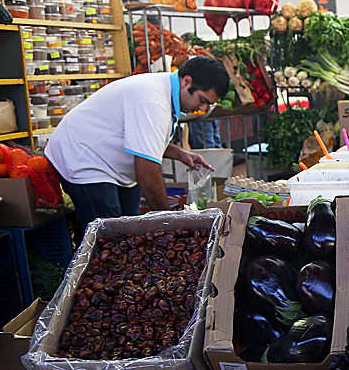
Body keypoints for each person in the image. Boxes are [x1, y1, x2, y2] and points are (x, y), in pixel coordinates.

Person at [45, 56, 229, 236]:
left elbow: (143, 136)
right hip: (83, 156)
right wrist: (170, 222)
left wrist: (179, 153)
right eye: (202, 100)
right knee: (109, 236)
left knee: (131, 229)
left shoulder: (164, 93)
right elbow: (147, 174)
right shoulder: (152, 101)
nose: (202, 109)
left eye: (209, 105)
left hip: (110, 159)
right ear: (186, 82)